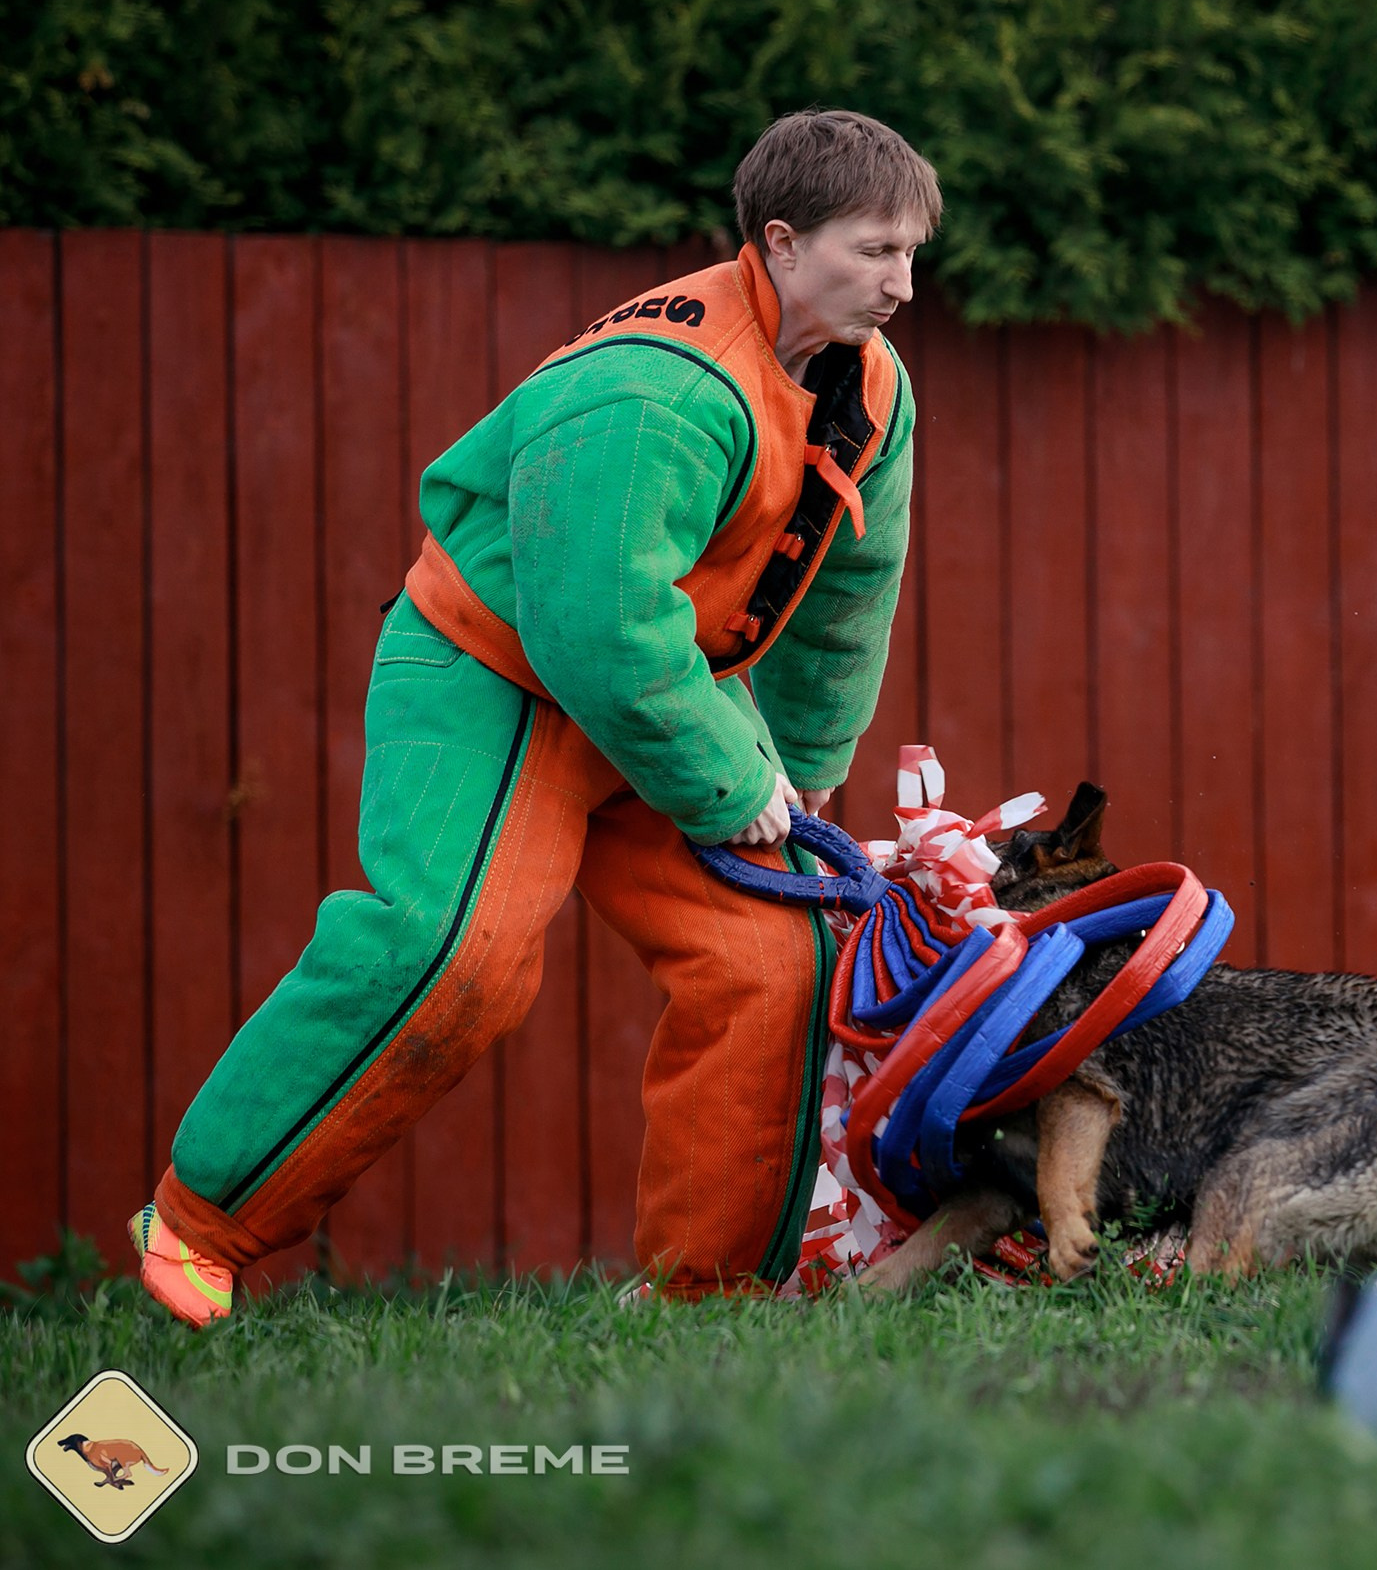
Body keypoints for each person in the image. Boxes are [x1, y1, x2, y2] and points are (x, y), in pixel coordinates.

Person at [127, 110, 933, 1323]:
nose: (903, 285)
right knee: (456, 957)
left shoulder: (868, 385)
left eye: (912, 251)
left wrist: (808, 762)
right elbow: (594, 628)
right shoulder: (655, 392)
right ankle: (201, 1221)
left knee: (775, 966)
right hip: (498, 671)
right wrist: (729, 780)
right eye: (874, 251)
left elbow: (851, 585)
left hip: (673, 689)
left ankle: (709, 1302)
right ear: (778, 240)